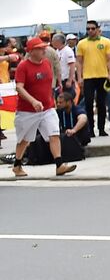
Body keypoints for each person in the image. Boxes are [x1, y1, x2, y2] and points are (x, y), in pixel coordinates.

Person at [11, 36, 77, 177]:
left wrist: (58, 86)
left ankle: (59, 164)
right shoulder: (23, 66)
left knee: (54, 134)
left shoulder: (46, 63)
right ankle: (17, 164)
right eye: (40, 48)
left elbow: (49, 80)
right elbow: (19, 87)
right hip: (27, 110)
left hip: (47, 107)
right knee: (24, 140)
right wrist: (33, 101)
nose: (44, 50)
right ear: (32, 51)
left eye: (44, 47)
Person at [75, 20, 110, 137]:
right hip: (88, 77)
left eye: (92, 28)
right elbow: (79, 62)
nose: (90, 31)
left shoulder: (106, 41)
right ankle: (90, 129)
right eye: (88, 29)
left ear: (97, 29)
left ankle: (101, 128)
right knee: (88, 103)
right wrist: (79, 77)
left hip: (102, 75)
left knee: (101, 103)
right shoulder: (82, 43)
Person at [51, 31, 76, 97]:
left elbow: (72, 66)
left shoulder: (68, 50)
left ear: (58, 41)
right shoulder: (57, 51)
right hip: (59, 80)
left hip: (66, 79)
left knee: (68, 98)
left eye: (53, 41)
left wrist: (70, 80)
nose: (52, 43)